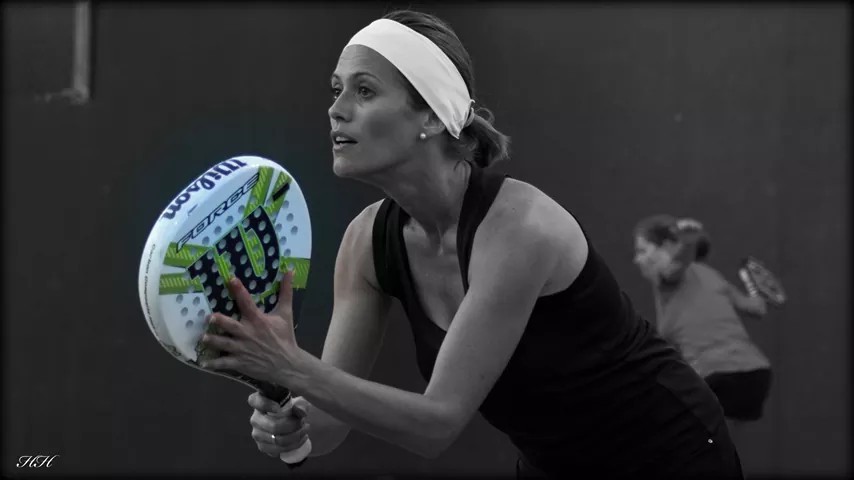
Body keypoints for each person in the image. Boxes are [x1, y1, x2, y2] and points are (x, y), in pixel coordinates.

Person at [199, 10, 743, 478]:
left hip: (670, 452)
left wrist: (294, 367)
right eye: (336, 89)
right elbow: (329, 424)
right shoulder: (366, 243)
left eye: (364, 90)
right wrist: (291, 420)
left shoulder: (520, 227)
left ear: (431, 116)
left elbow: (436, 423)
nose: (336, 108)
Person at [632, 215, 773, 445]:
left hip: (716, 378)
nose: (636, 259)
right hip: (755, 376)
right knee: (721, 452)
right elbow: (757, 308)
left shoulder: (671, 276)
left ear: (666, 248)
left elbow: (675, 265)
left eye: (642, 250)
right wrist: (758, 293)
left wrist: (686, 239)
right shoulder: (712, 275)